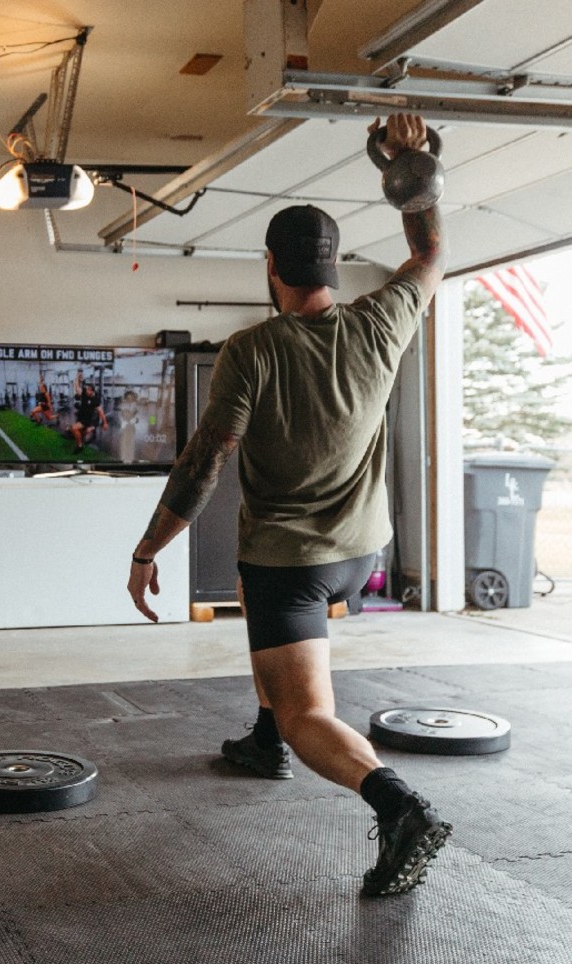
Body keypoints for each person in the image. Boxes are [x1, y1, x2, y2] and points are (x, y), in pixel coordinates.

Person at [126, 113, 451, 897]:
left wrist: (147, 552)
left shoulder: (252, 349)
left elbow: (205, 463)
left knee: (315, 712)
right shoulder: (383, 319)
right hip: (360, 553)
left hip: (292, 567)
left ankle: (397, 805)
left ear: (270, 265)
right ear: (333, 265)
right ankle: (264, 737)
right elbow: (431, 250)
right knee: (253, 582)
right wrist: (413, 165)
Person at [70, 370, 108, 453]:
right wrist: (77, 376)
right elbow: (76, 386)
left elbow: (101, 411)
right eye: (86, 390)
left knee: (74, 428)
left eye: (88, 390)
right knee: (79, 431)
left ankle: (79, 446)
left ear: (92, 391)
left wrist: (105, 423)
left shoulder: (95, 399)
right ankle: (87, 432)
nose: (86, 391)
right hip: (81, 416)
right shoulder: (85, 392)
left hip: (87, 419)